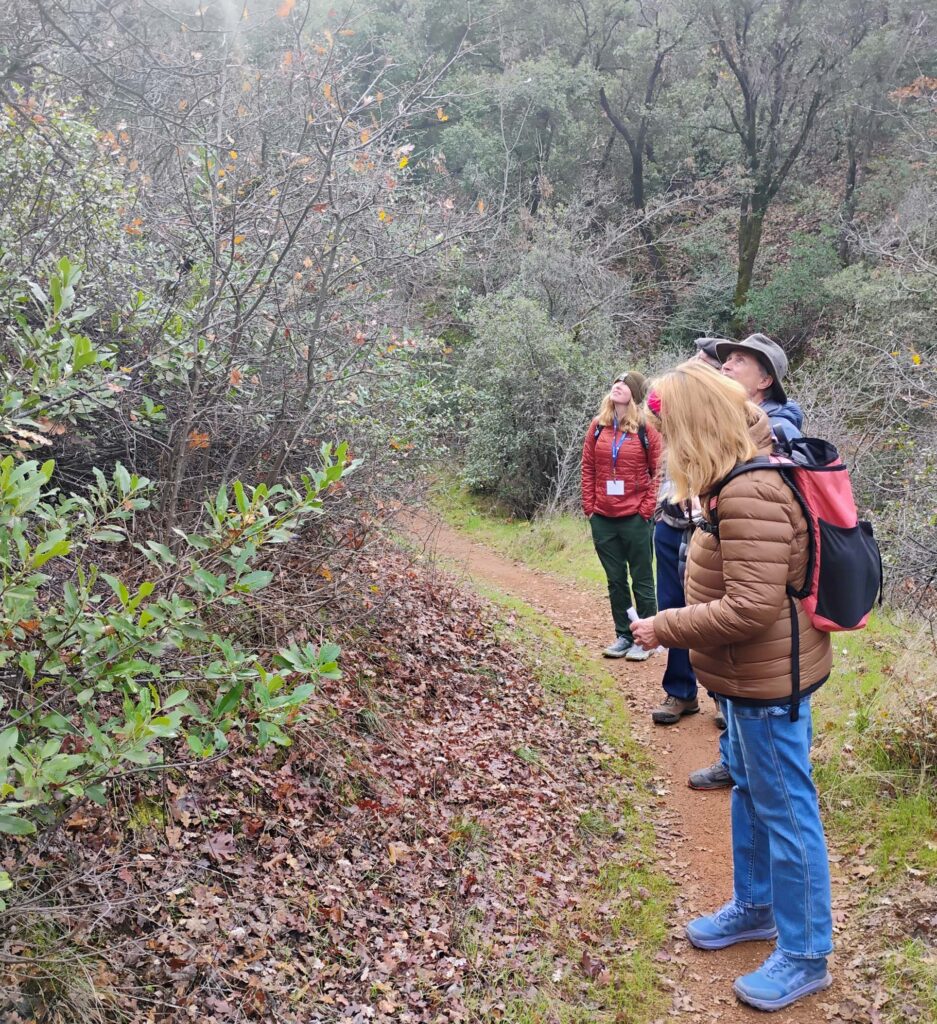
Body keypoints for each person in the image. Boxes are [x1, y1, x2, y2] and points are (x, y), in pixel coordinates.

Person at [632, 362, 834, 1012]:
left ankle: (805, 956)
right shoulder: (733, 481)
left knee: (787, 813)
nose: (664, 445)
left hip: (769, 684)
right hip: (747, 683)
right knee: (752, 794)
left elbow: (747, 608)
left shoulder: (749, 491)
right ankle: (755, 909)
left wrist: (664, 627)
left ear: (693, 428)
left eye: (667, 431)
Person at [687, 332, 804, 788]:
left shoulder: (776, 435)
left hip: (769, 647)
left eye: (738, 360)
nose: (726, 365)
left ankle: (740, 761)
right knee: (756, 793)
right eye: (726, 359)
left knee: (781, 801)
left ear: (765, 380)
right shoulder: (737, 430)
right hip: (747, 641)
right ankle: (734, 759)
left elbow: (765, 549)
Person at [650, 338, 722, 725]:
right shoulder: (675, 404)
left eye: (703, 362)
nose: (693, 365)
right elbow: (654, 405)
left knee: (710, 609)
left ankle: (721, 697)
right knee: (673, 607)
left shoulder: (730, 415)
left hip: (709, 529)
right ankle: (680, 692)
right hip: (671, 523)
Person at [581, 370, 662, 660]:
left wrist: (645, 510)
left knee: (641, 579)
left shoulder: (645, 429)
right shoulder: (598, 427)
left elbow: (659, 471)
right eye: (615, 382)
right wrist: (590, 508)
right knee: (615, 580)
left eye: (625, 384)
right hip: (602, 516)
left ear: (635, 394)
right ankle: (624, 635)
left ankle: (646, 640)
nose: (617, 386)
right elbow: (587, 467)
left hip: (635, 517)